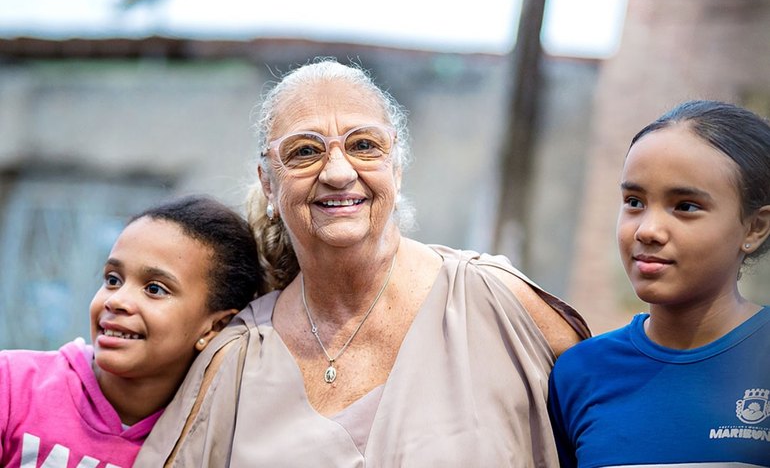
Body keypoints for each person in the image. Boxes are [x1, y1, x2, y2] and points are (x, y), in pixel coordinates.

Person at [135, 58, 590, 467]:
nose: (338, 172)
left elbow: (616, 422)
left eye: (364, 145)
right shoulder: (237, 359)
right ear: (269, 184)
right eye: (305, 151)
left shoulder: (498, 307)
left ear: (397, 168)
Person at [548, 100, 770, 467]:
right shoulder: (580, 373)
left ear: (754, 228)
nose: (647, 230)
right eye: (634, 202)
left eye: (686, 206)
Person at [0, 195, 263, 467]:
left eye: (154, 289)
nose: (116, 300)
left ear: (214, 327)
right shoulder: (12, 385)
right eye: (113, 279)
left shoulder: (208, 445)